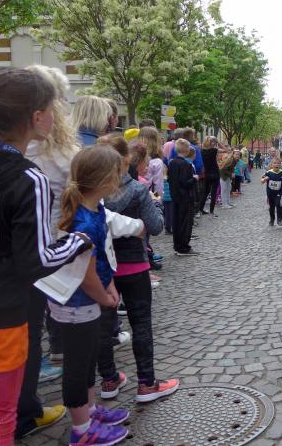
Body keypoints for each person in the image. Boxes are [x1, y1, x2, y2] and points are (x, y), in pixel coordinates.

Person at [0, 68, 93, 443]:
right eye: (52, 108)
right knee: (0, 415)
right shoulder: (28, 178)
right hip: (3, 310)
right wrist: (77, 241)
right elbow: (35, 261)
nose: (56, 114)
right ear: (37, 117)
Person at [55, 144, 131, 445]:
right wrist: (104, 295)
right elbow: (86, 276)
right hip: (77, 304)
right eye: (117, 174)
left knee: (88, 361)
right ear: (105, 180)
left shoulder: (95, 210)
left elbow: (98, 260)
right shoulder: (84, 221)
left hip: (88, 301)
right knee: (78, 366)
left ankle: (88, 411)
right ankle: (82, 430)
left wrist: (109, 285)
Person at [98, 138, 180, 403]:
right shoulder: (137, 190)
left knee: (103, 326)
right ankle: (146, 383)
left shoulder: (93, 190)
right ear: (126, 160)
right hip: (133, 265)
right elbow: (155, 226)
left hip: (102, 268)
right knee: (141, 323)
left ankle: (109, 379)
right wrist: (156, 204)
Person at [167, 139, 198, 256]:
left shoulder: (172, 163)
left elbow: (170, 179)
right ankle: (184, 247)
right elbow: (186, 182)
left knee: (177, 222)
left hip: (175, 196)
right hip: (185, 197)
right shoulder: (185, 164)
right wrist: (194, 178)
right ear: (187, 150)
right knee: (185, 223)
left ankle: (177, 245)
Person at [262, 159, 282, 226]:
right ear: (272, 165)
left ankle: (279, 220)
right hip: (270, 193)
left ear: (280, 165)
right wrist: (264, 179)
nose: (276, 164)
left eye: (278, 163)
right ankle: (272, 219)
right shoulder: (268, 172)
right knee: (271, 207)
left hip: (279, 193)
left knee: (279, 205)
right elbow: (262, 179)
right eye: (275, 163)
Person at [200, 137, 221, 217]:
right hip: (215, 173)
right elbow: (226, 150)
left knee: (205, 193)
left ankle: (200, 209)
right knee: (213, 193)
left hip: (207, 174)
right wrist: (218, 142)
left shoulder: (202, 151)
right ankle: (211, 211)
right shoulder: (214, 150)